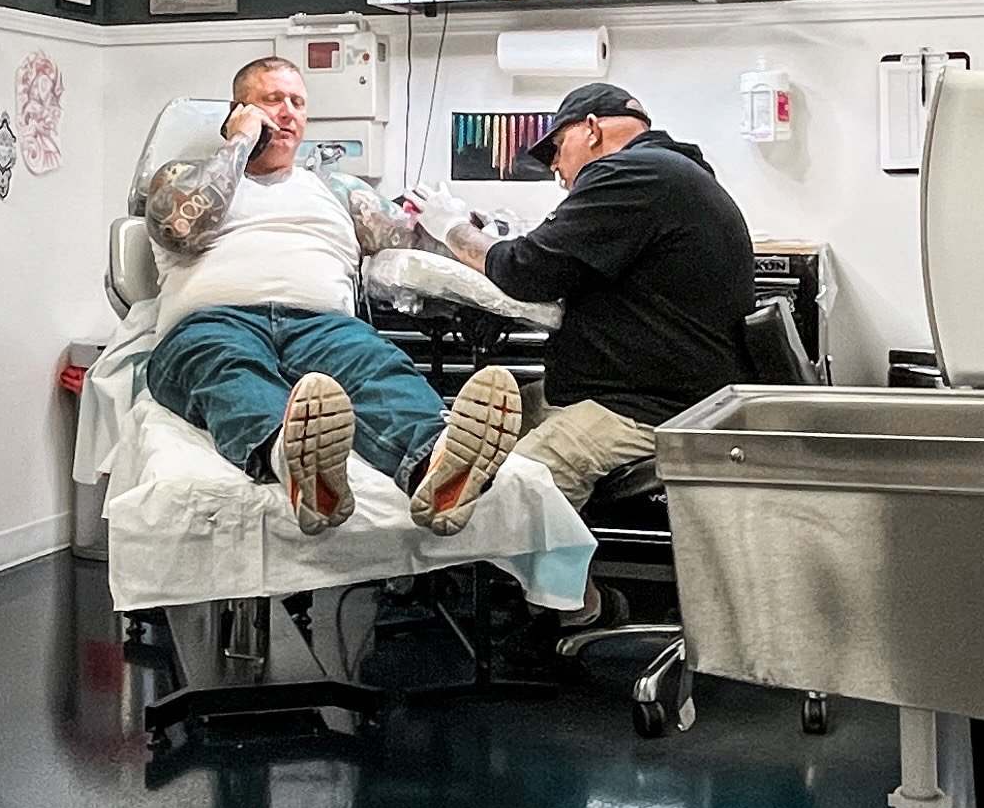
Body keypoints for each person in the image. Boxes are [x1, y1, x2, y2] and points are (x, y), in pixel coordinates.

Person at [142, 56, 522, 537]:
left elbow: (419, 240)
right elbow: (178, 229)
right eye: (271, 100)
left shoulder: (337, 188)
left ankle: (439, 468)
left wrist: (468, 226)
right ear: (238, 110)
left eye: (298, 103)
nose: (287, 112)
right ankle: (297, 463)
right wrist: (240, 143)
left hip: (322, 327)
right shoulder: (181, 176)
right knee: (228, 372)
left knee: (375, 364)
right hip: (214, 324)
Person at [441, 85, 756, 508]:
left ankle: (542, 573)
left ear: (590, 130)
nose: (555, 167)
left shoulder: (631, 174)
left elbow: (526, 269)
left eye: (556, 147)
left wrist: (452, 230)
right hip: (633, 392)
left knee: (517, 488)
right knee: (466, 437)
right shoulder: (667, 175)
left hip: (645, 409)